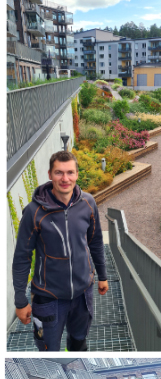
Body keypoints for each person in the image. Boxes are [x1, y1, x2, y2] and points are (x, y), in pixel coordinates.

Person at [12, 150, 108, 351]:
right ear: (50, 174)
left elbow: (96, 241)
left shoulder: (88, 203)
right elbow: (22, 257)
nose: (65, 179)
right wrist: (20, 301)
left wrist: (103, 275)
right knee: (47, 349)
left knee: (79, 342)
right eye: (59, 173)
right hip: (48, 298)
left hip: (83, 294)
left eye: (70, 172)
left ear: (77, 174)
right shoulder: (33, 212)